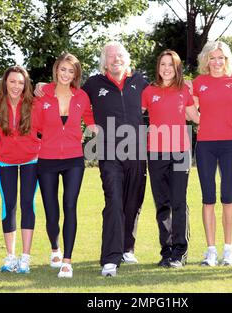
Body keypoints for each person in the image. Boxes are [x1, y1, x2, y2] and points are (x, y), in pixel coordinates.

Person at [82, 41, 148, 277]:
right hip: (108, 152)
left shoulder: (140, 81)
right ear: (104, 61)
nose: (115, 60)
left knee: (133, 201)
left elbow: (164, 92)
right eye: (111, 57)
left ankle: (126, 247)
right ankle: (110, 259)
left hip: (137, 151)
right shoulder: (93, 84)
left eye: (119, 55)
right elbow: (73, 97)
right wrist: (89, 120)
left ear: (126, 59)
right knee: (114, 200)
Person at [33, 52, 95, 278]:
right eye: (63, 69)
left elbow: (89, 116)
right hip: (47, 159)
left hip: (73, 159)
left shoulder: (81, 96)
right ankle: (55, 249)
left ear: (76, 74)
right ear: (56, 70)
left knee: (70, 205)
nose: (66, 74)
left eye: (71, 71)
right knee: (51, 211)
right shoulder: (42, 96)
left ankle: (67, 261)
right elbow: (34, 126)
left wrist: (91, 128)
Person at [141, 50, 199, 268]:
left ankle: (179, 251)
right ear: (158, 67)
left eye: (171, 65)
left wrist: (225, 119)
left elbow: (196, 117)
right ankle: (166, 251)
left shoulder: (184, 91)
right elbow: (132, 112)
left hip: (180, 152)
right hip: (155, 152)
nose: (166, 68)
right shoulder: (148, 91)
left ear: (177, 69)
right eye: (163, 64)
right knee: (162, 203)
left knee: (178, 202)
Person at [192, 41, 232, 267]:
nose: (217, 62)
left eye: (221, 58)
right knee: (208, 198)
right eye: (212, 58)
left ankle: (228, 250)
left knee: (228, 197)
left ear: (227, 60)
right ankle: (211, 250)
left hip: (229, 145)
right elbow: (189, 108)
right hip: (205, 145)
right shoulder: (198, 82)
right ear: (206, 60)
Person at [0, 66, 40, 274]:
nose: (16, 86)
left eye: (20, 82)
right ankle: (10, 256)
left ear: (26, 85)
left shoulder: (35, 104)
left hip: (31, 160)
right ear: (5, 83)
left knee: (28, 204)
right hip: (5, 161)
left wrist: (44, 85)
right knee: (8, 205)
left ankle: (25, 257)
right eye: (12, 82)